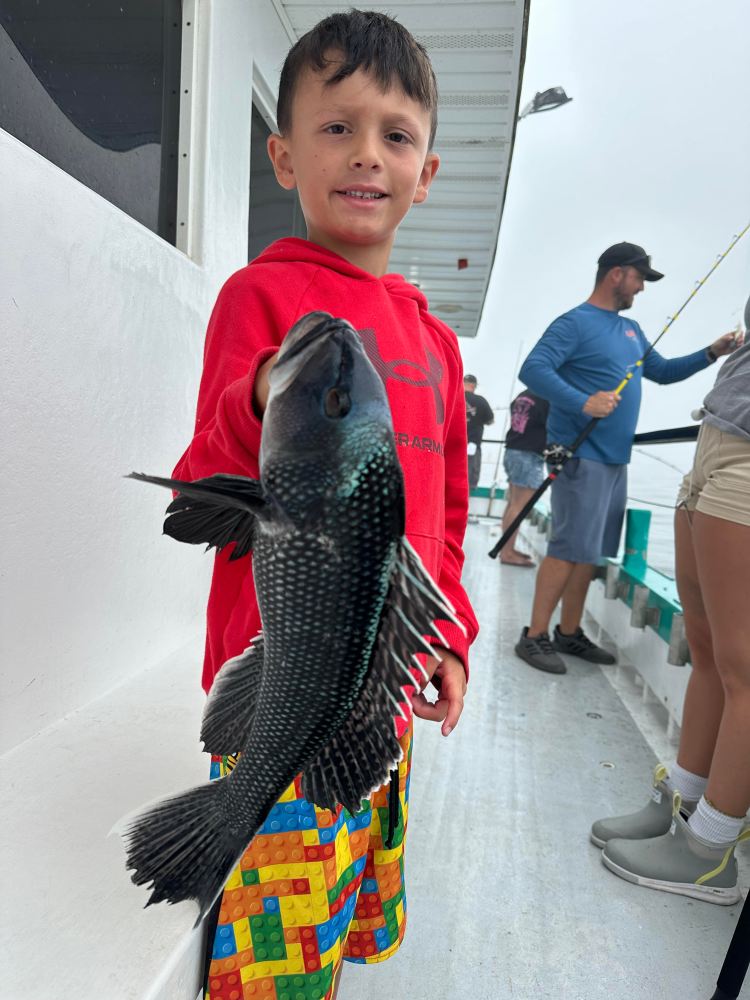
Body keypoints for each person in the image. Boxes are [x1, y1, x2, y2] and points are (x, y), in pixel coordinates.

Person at [170, 12, 478, 999]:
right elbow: (204, 472)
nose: (366, 155)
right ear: (285, 155)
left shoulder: (436, 343)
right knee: (274, 964)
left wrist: (455, 638)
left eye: (396, 134)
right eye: (336, 127)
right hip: (284, 693)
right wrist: (262, 393)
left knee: (333, 928)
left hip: (379, 696)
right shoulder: (262, 300)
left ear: (426, 173)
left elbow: (448, 520)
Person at [514, 242, 739, 675]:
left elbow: (664, 371)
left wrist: (712, 352)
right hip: (580, 455)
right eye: (640, 279)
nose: (641, 288)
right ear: (616, 274)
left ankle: (568, 631)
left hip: (616, 460)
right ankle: (534, 636)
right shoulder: (574, 323)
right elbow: (534, 369)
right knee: (566, 548)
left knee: (592, 551)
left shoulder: (632, 330)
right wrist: (584, 402)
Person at [592, 330, 749, 904]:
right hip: (718, 439)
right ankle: (682, 804)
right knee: (706, 651)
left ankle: (710, 852)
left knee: (744, 672)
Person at [500, 390, 549, 566]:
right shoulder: (546, 397)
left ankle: (506, 549)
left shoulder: (524, 395)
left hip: (513, 450)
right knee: (519, 507)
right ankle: (507, 553)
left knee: (513, 504)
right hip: (528, 455)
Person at [464, 374, 494, 489]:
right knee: (467, 481)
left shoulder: (453, 397)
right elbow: (490, 420)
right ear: (474, 386)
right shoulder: (481, 401)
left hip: (449, 445)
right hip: (472, 446)